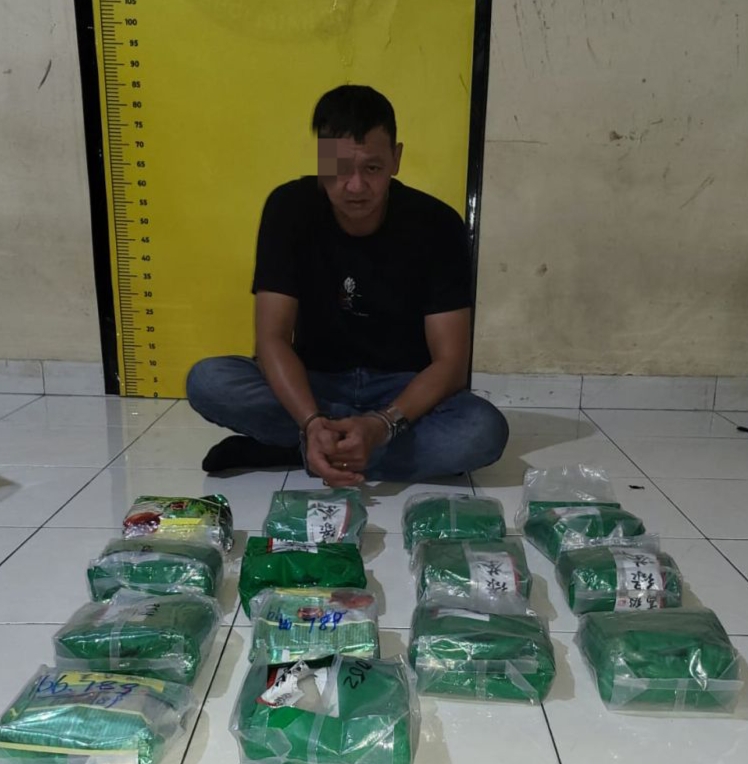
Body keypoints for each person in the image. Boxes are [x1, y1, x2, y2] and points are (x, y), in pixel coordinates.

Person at [187, 84, 508, 486]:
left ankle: (300, 449)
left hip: (401, 390)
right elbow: (272, 339)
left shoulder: (437, 224)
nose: (355, 186)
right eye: (339, 168)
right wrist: (310, 419)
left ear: (396, 159)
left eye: (372, 168)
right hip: (315, 381)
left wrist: (382, 423)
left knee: (482, 430)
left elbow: (451, 365)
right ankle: (325, 440)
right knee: (209, 381)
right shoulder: (289, 208)